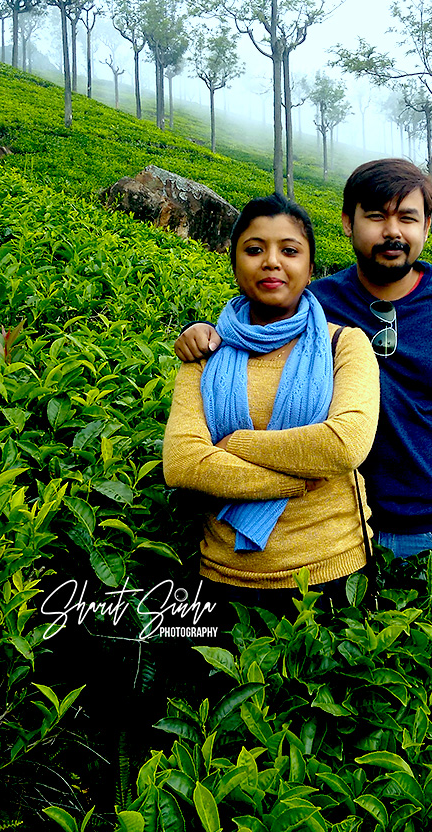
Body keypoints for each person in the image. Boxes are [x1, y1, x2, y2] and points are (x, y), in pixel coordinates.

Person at [175, 159, 432, 571]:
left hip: (431, 534)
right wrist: (201, 332)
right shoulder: (314, 304)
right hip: (329, 532)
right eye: (376, 216)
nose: (392, 231)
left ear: (427, 227)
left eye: (407, 218)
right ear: (347, 223)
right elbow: (252, 334)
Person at [162, 193, 380, 611]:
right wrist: (299, 481)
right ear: (234, 262)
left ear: (310, 267)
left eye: (290, 250)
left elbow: (343, 445)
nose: (271, 261)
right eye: (255, 249)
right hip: (224, 575)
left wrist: (234, 445)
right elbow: (183, 462)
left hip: (334, 571)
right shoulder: (204, 351)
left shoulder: (345, 345)